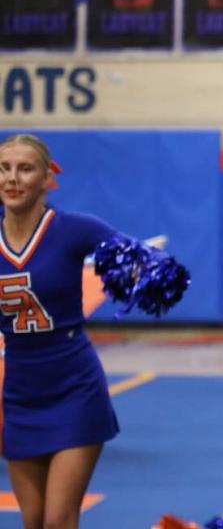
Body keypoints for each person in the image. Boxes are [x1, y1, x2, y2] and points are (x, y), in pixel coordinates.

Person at [0, 135, 118, 528]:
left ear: (47, 177)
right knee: (32, 520)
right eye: (4, 168)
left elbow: (139, 262)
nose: (12, 178)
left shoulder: (75, 230)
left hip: (74, 387)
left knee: (57, 520)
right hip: (19, 392)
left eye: (25, 168)